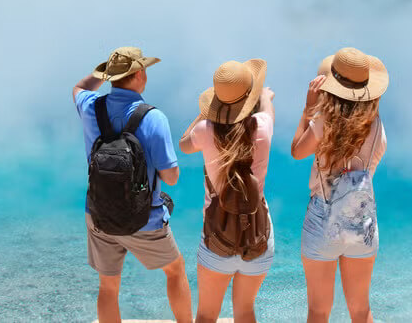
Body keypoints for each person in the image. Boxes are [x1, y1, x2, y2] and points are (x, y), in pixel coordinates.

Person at [72, 46, 192, 323]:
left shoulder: (92, 107)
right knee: (175, 270)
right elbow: (171, 177)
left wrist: (102, 74)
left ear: (111, 76)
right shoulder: (153, 117)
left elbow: (78, 87)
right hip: (144, 219)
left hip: (99, 213)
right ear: (139, 74)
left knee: (109, 286)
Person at [291, 47, 389, 323]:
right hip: (361, 220)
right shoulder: (378, 127)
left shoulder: (324, 123)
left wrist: (308, 111)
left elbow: (297, 151)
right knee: (361, 310)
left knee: (319, 312)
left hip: (323, 218)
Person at [178, 60, 276, 323]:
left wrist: (204, 113)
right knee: (245, 311)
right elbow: (267, 109)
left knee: (207, 315)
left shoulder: (205, 131)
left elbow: (183, 144)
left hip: (216, 237)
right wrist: (265, 96)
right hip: (257, 235)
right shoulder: (263, 128)